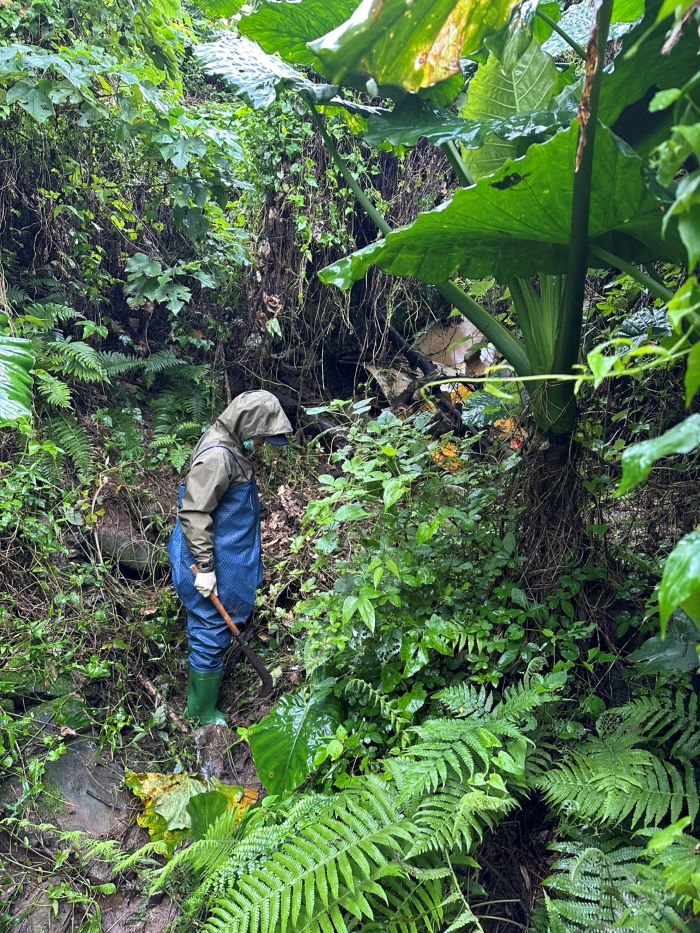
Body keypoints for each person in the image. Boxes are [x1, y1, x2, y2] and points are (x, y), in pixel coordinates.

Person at [169, 390, 292, 725]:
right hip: (208, 560)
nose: (263, 444)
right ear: (247, 426)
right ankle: (200, 711)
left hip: (226, 555)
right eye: (262, 437)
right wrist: (206, 570)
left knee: (215, 625)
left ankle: (207, 692)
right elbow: (194, 512)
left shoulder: (231, 444)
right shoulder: (217, 458)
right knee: (210, 627)